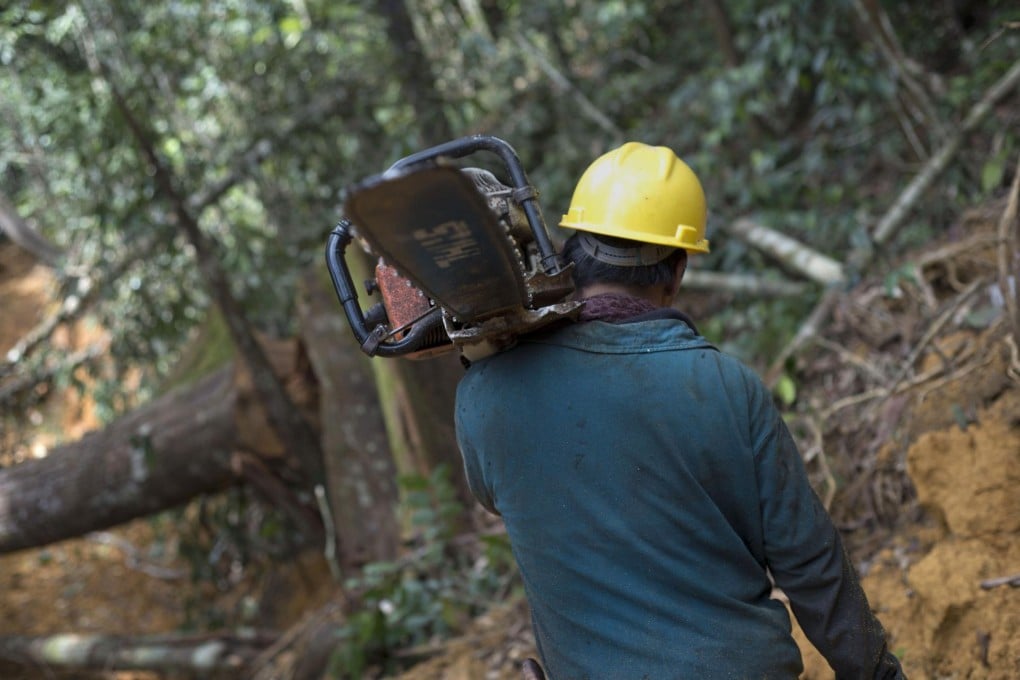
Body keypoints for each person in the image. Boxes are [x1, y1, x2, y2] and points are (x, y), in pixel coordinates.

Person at [454, 142, 906, 679]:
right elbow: (812, 567)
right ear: (678, 271)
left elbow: (495, 496)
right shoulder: (727, 388)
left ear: (570, 254)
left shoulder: (485, 396)